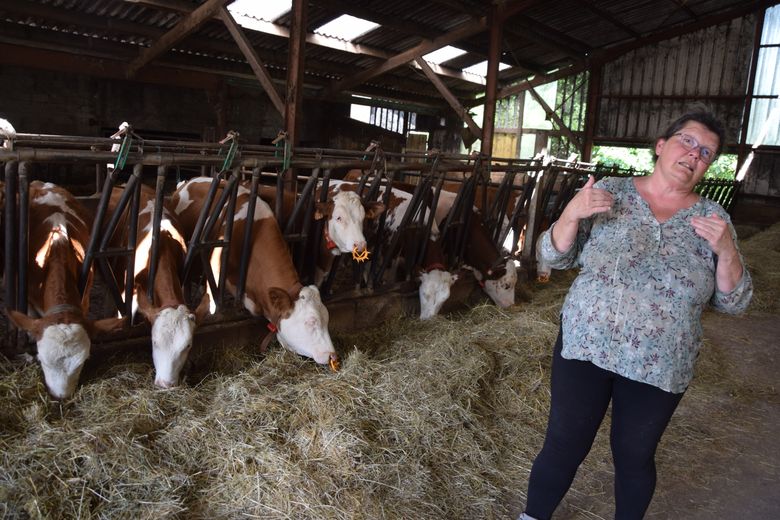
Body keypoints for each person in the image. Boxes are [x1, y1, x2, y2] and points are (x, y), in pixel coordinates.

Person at [518, 108, 753, 520]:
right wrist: (571, 213)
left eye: (706, 152)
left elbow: (734, 302)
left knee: (634, 454)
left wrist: (727, 249)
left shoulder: (714, 219)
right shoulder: (610, 192)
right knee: (564, 443)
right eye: (687, 141)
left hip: (660, 361)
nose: (694, 154)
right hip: (587, 346)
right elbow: (552, 257)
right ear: (661, 146)